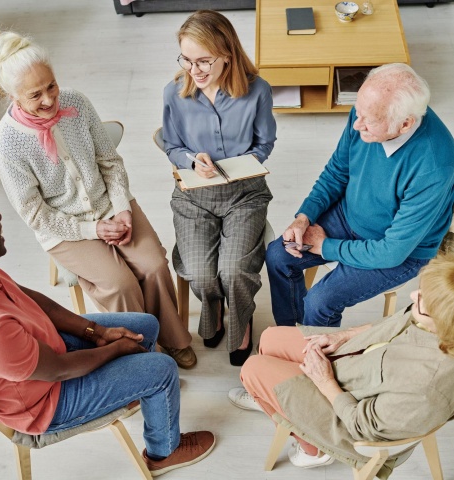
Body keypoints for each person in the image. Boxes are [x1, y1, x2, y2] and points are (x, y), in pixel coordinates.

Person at [0, 31, 196, 369]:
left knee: (154, 264)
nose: (49, 100)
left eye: (51, 86)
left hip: (109, 204)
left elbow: (110, 162)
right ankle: (143, 353)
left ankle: (173, 340)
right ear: (11, 95)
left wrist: (122, 209)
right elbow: (35, 213)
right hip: (66, 228)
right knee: (120, 283)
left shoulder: (77, 103)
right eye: (35, 94)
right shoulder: (8, 144)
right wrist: (95, 229)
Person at [0, 207, 215, 476]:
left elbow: (41, 306)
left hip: (49, 350)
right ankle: (164, 452)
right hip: (46, 403)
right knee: (163, 369)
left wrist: (96, 331)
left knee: (146, 324)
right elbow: (59, 369)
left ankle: (140, 393)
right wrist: (115, 348)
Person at [229, 253, 454, 476]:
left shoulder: (428, 386)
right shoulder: (435, 318)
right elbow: (393, 323)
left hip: (350, 417)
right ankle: (275, 402)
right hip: (358, 361)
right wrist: (345, 335)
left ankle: (311, 449)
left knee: (252, 370)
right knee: (269, 339)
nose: (414, 295)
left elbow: (361, 426)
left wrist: (324, 380)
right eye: (421, 289)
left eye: (423, 301)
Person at [266, 63, 454, 328]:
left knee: (320, 301)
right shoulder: (367, 112)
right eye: (358, 111)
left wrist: (325, 246)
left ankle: (314, 359)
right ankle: (289, 335)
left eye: (369, 120)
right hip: (350, 216)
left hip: (398, 250)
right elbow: (337, 172)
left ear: (405, 124)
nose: (357, 123)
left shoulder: (434, 166)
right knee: (278, 256)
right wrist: (304, 217)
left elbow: (392, 252)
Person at [163, 10, 277, 366]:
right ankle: (213, 312)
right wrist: (189, 159)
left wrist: (240, 164)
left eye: (203, 61)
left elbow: (265, 143)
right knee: (199, 271)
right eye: (186, 59)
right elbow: (170, 145)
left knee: (234, 270)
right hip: (194, 197)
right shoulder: (174, 93)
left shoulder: (256, 90)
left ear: (227, 53)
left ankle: (241, 322)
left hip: (245, 194)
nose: (193, 70)